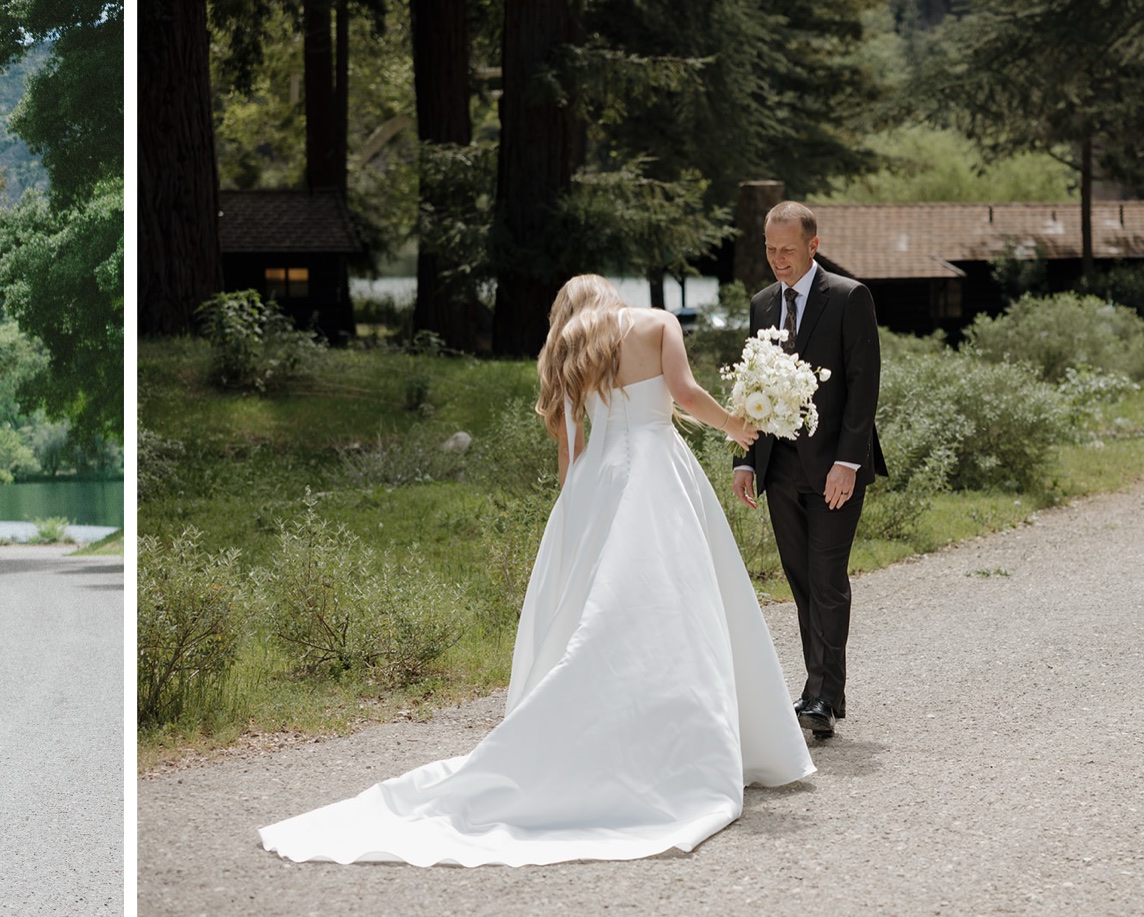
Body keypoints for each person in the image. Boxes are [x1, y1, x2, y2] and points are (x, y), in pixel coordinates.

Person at [258, 275, 814, 867]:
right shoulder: (657, 323)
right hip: (657, 473)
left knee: (597, 606)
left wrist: (572, 513)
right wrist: (734, 423)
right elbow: (683, 390)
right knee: (677, 602)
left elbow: (570, 449)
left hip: (601, 479)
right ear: (611, 295)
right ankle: (699, 740)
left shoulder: (569, 350)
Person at [732, 200, 888, 740]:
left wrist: (848, 462)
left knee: (826, 577)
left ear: (812, 246)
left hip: (835, 470)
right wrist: (745, 459)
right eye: (770, 250)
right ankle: (825, 691)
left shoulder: (849, 298)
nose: (777, 260)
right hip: (780, 470)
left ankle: (820, 694)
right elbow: (749, 387)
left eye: (787, 250)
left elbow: (863, 385)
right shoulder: (760, 304)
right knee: (800, 579)